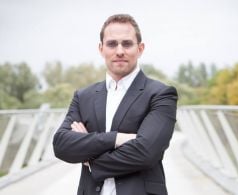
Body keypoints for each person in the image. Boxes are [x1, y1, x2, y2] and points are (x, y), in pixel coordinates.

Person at [53, 14, 178, 195]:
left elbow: (146, 153)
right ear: (101, 48)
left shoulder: (161, 94)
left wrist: (90, 159)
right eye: (112, 44)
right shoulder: (83, 96)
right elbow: (61, 145)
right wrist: (117, 138)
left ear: (140, 49)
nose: (119, 51)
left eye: (127, 44)